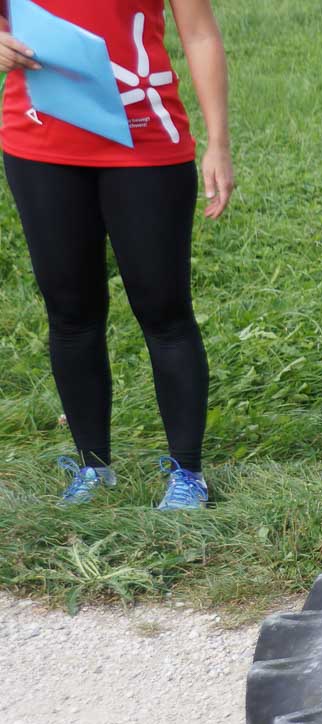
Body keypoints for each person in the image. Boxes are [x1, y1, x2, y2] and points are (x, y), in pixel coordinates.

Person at [1, 0, 232, 509]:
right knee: (70, 313)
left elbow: (200, 34)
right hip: (40, 144)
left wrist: (218, 142)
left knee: (165, 312)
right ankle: (94, 466)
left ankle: (188, 473)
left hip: (146, 141)